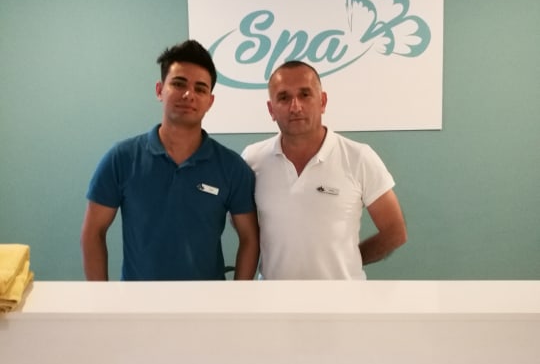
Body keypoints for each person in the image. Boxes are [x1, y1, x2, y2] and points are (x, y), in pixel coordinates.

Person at [81, 40, 259, 281]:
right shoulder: (121, 159)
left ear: (210, 101)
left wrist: (238, 296)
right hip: (137, 302)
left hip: (208, 302)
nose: (189, 95)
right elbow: (93, 232)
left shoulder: (232, 167)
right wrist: (101, 298)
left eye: (200, 89)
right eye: (178, 84)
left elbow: (250, 238)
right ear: (159, 90)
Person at [241, 60, 407, 280]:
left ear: (323, 101)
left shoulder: (358, 157)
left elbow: (395, 232)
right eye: (284, 97)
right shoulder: (252, 160)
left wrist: (351, 260)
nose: (295, 106)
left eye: (305, 95)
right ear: (271, 110)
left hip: (343, 298)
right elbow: (246, 232)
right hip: (273, 297)